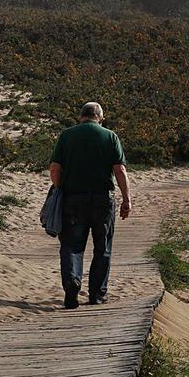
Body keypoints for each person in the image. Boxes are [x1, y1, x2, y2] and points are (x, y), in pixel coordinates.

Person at [48, 102, 131, 309]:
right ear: (100, 117)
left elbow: (54, 169)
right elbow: (119, 170)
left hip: (73, 198)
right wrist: (126, 198)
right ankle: (97, 294)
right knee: (102, 247)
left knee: (72, 245)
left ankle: (72, 282)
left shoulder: (67, 136)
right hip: (103, 199)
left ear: (81, 116)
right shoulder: (110, 136)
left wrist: (59, 188)